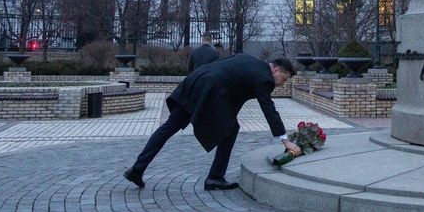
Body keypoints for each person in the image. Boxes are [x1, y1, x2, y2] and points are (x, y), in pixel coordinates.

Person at [124, 54, 302, 190]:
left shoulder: (251, 61)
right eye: (284, 79)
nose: (281, 84)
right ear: (275, 69)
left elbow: (234, 91)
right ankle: (215, 177)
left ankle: (137, 169)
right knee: (231, 129)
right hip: (208, 90)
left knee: (169, 127)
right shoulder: (264, 77)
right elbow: (269, 108)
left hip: (196, 81)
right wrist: (285, 140)